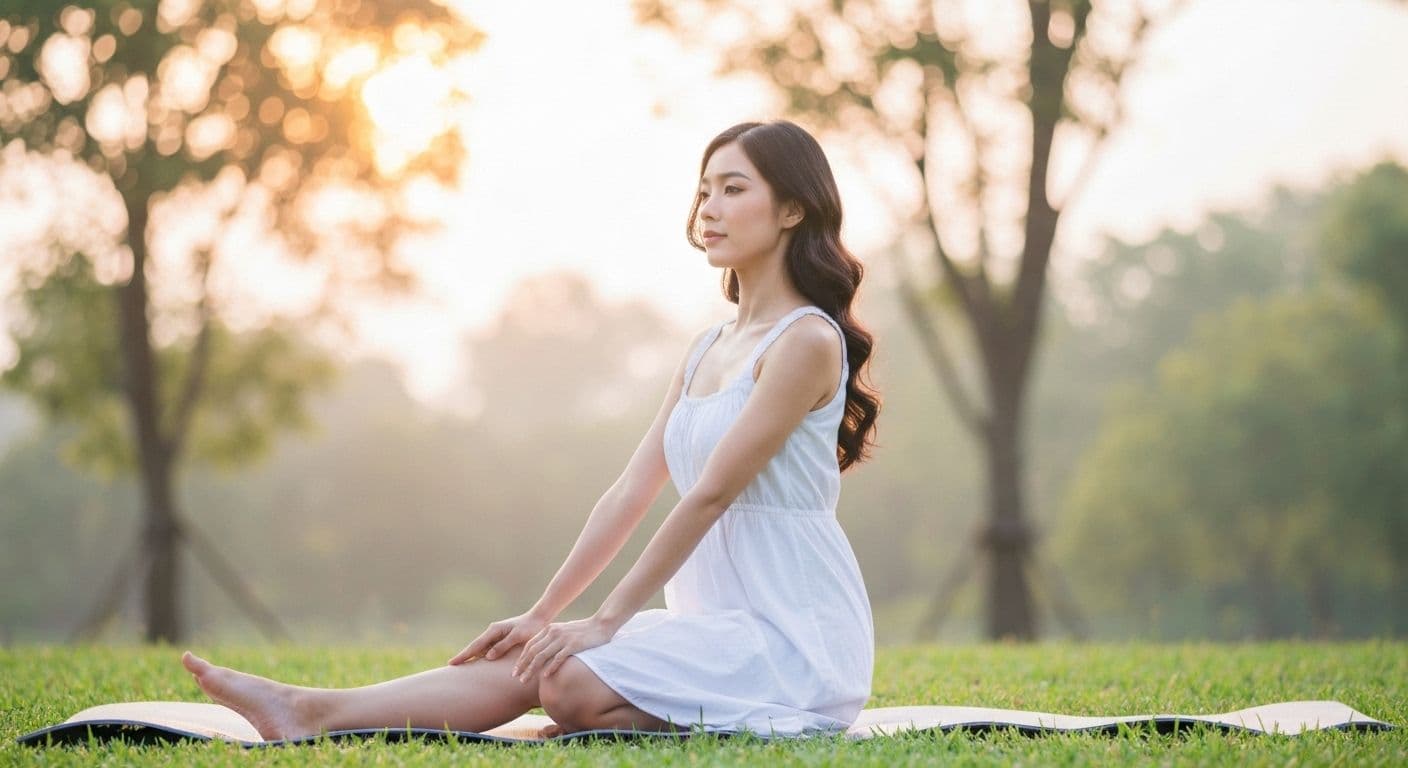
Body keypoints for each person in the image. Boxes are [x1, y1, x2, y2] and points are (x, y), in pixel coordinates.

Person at [180, 119, 882, 740]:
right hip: (716, 633)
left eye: (733, 189)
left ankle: (625, 713)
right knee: (540, 654)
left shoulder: (804, 342)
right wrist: (545, 612)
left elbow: (709, 497)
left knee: (569, 682)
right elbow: (631, 491)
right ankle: (309, 710)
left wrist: (605, 621)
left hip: (792, 639)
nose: (709, 208)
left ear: (792, 208)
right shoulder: (708, 347)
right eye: (704, 191)